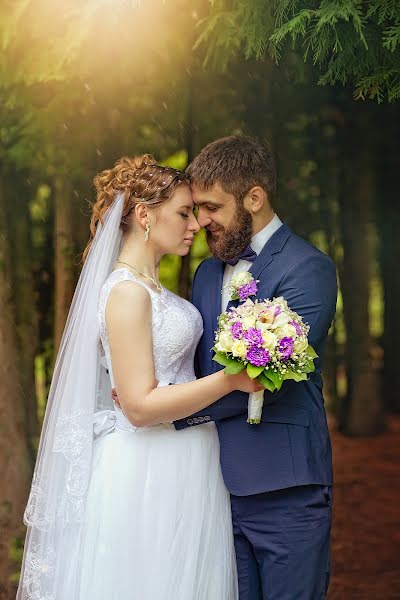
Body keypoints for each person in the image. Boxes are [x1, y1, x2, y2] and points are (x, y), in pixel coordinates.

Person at [17, 154, 262, 600]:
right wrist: (231, 380)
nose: (195, 225)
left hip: (190, 459)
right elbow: (139, 406)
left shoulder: (154, 289)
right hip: (148, 467)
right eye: (184, 213)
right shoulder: (127, 293)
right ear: (144, 215)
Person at [173, 135, 338, 600]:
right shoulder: (206, 273)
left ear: (254, 198)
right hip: (213, 488)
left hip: (285, 487)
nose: (201, 220)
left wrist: (171, 411)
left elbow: (271, 378)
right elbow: (201, 367)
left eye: (211, 207)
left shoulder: (309, 268)